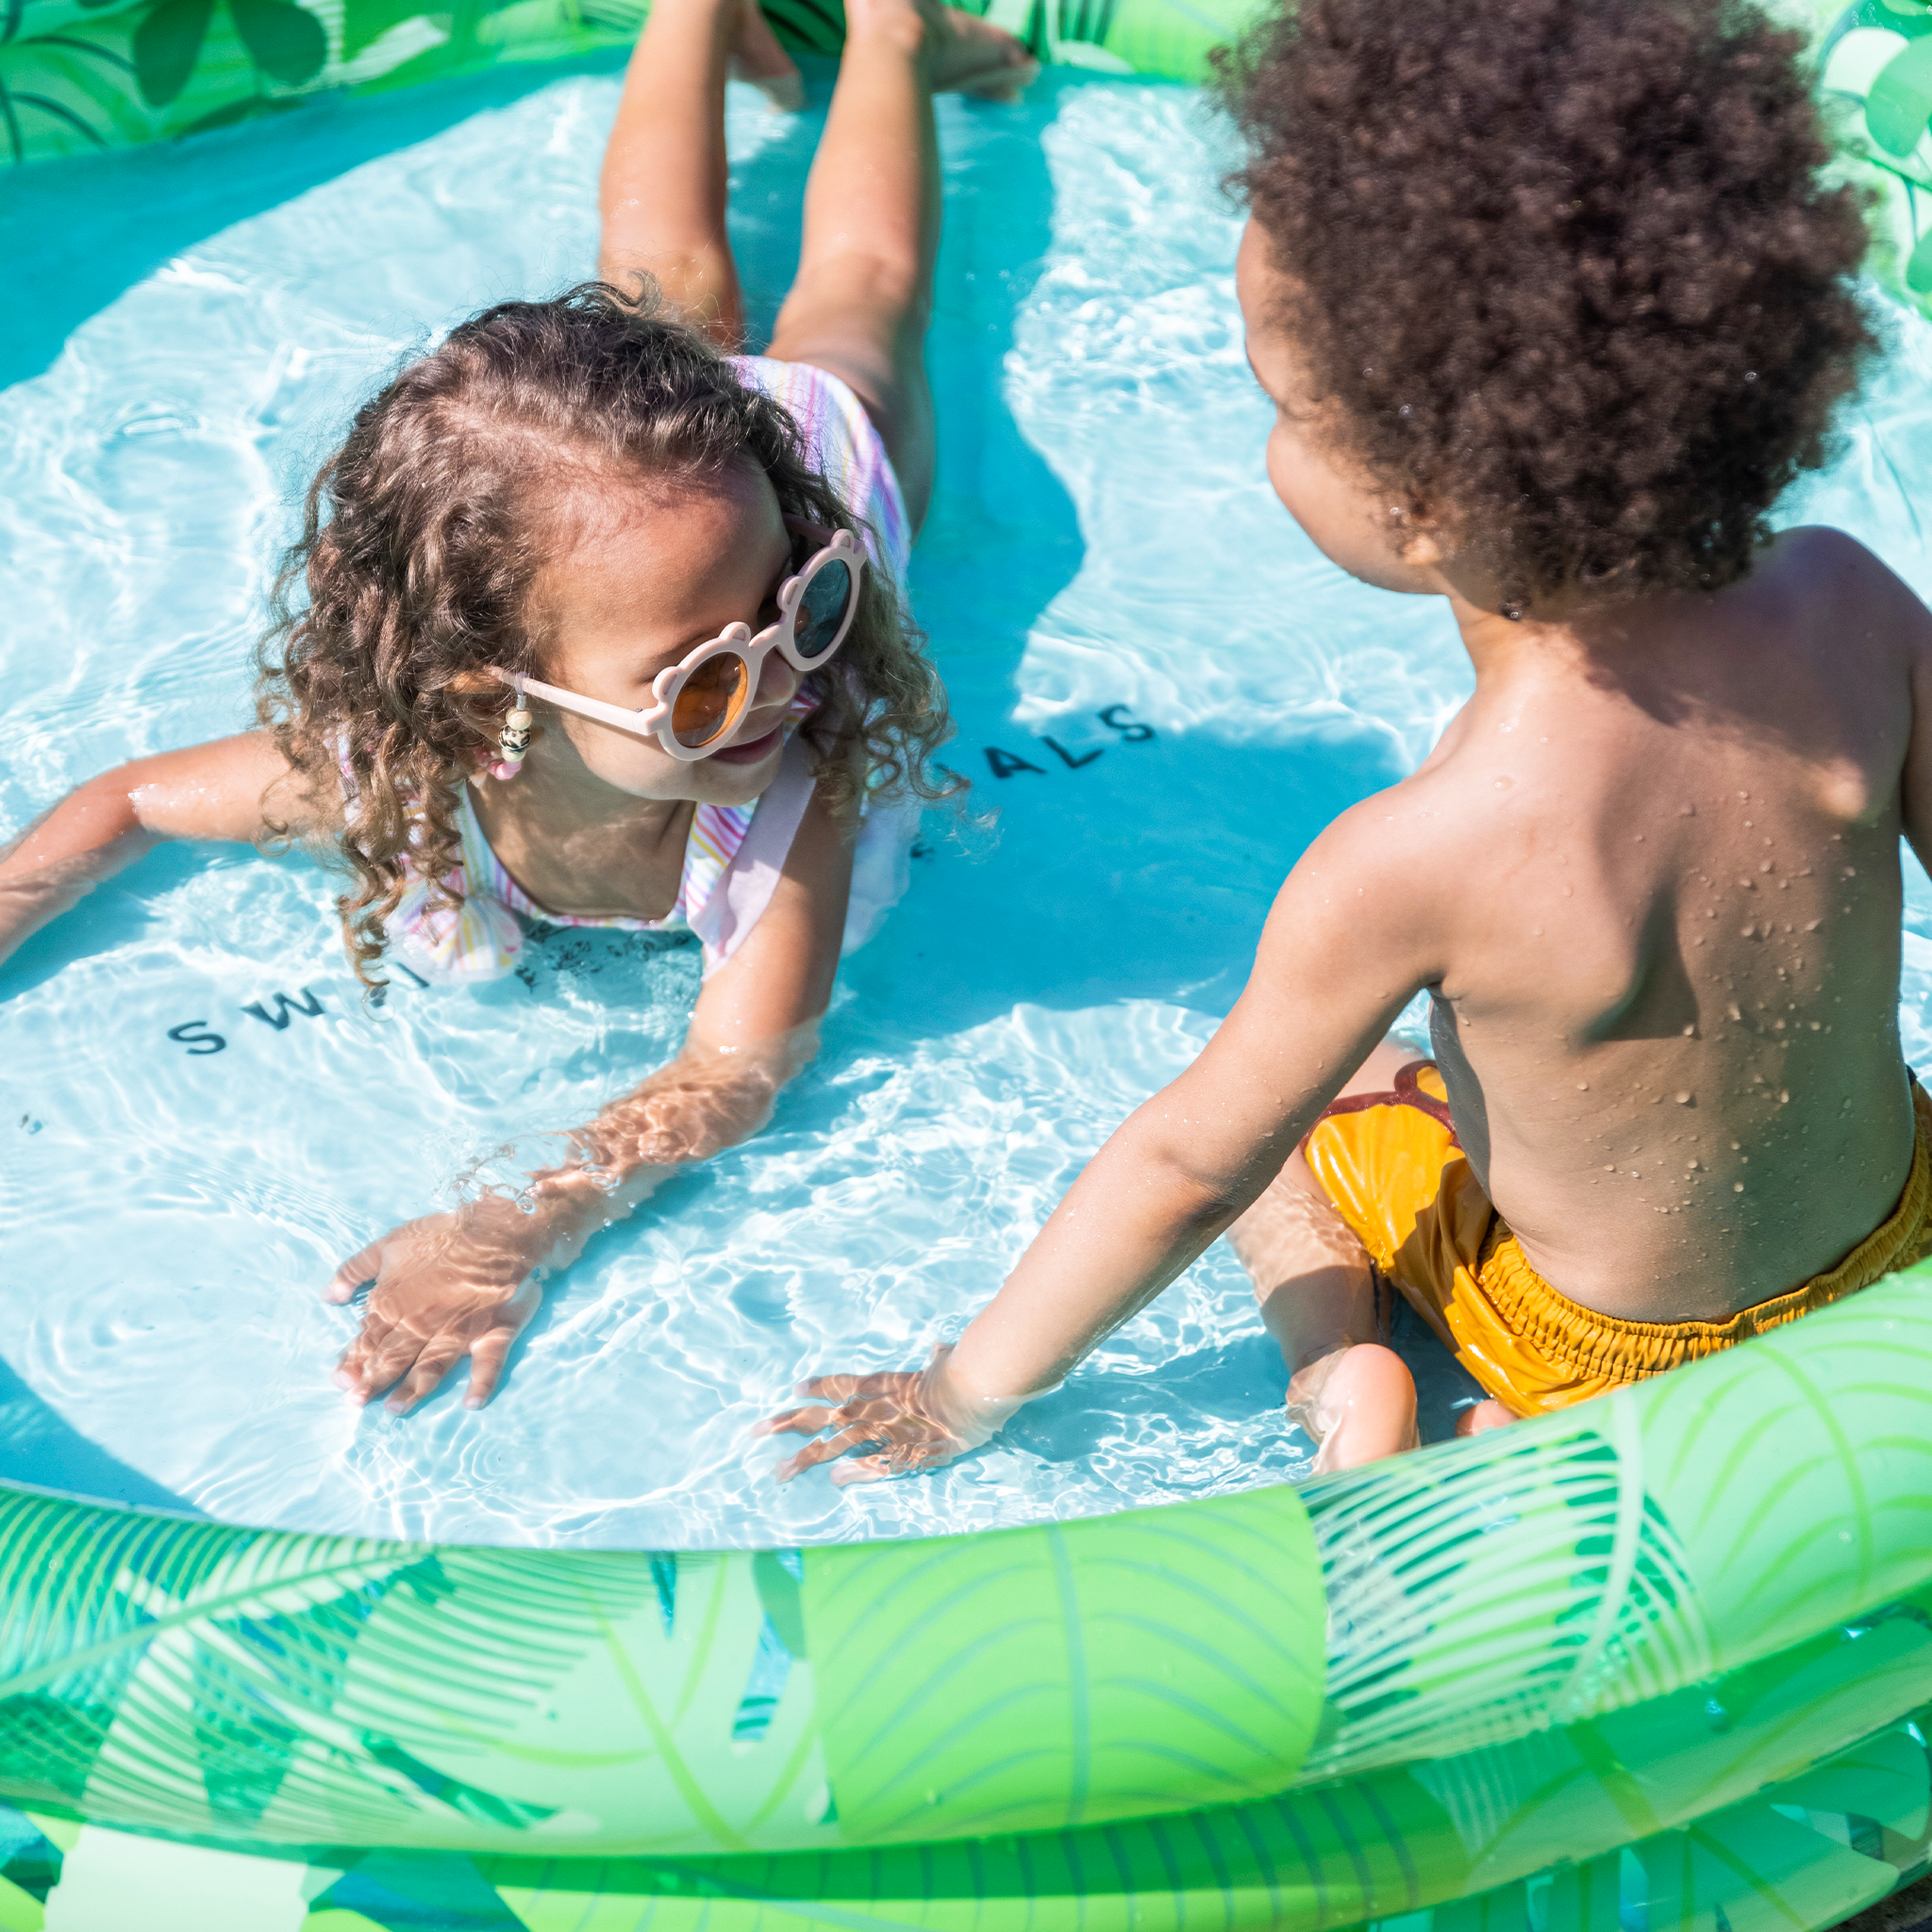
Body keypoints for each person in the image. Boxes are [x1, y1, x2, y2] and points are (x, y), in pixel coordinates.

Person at [762, 0, 1932, 1484]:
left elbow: (1185, 1173)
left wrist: (956, 1395)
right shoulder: (1848, 598)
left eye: (1284, 404)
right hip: (1900, 1242)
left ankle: (1346, 1380)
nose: (1267, 439)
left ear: (1422, 505)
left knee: (1301, 1117)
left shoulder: (1418, 854)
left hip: (1597, 1353)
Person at [0, 0, 1035, 1414]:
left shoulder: (794, 781)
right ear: (488, 697)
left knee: (849, 297)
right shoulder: (392, 773)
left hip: (788, 471)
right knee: (666, 280)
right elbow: (131, 803)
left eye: (802, 613)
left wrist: (518, 1224)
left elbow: (739, 1069)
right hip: (674, 512)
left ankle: (891, 35)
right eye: (706, 677)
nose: (786, 682)